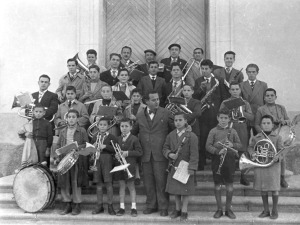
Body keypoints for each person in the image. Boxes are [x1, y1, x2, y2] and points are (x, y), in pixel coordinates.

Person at [132, 91, 174, 216]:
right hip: (145, 154)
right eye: (153, 100)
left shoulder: (166, 113)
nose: (157, 102)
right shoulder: (139, 115)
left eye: (157, 99)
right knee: (148, 182)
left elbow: (173, 130)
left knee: (161, 181)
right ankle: (151, 205)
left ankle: (163, 207)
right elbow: (134, 132)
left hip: (161, 153)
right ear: (146, 102)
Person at [206, 109, 242, 219]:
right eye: (221, 118)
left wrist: (232, 144)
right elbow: (208, 146)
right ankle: (219, 209)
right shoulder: (213, 131)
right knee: (217, 186)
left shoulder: (233, 131)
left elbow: (240, 145)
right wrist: (217, 151)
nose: (223, 120)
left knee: (229, 187)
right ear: (217, 118)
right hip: (217, 161)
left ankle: (228, 209)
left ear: (229, 119)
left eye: (225, 118)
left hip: (229, 161)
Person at [163, 112, 198, 221]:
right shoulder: (171, 135)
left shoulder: (191, 136)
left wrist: (192, 167)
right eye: (176, 120)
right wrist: (169, 154)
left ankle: (184, 210)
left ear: (185, 121)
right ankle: (177, 209)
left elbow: (194, 154)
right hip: (174, 165)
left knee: (185, 190)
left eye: (180, 120)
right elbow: (165, 148)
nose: (177, 122)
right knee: (176, 189)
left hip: (186, 166)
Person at [193, 59, 226, 170]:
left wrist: (220, 112)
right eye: (202, 69)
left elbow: (223, 97)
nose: (204, 71)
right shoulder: (198, 81)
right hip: (202, 114)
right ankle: (201, 164)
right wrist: (200, 89)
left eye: (206, 69)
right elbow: (195, 98)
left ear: (211, 69)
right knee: (202, 139)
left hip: (215, 114)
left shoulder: (219, 80)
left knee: (216, 139)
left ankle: (215, 164)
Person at [248, 115, 283, 219]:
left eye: (268, 123)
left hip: (273, 167)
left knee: (274, 189)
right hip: (261, 166)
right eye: (264, 123)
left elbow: (281, 151)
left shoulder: (278, 137)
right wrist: (252, 153)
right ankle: (266, 210)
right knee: (263, 189)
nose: (266, 125)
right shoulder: (256, 137)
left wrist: (278, 157)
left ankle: (275, 210)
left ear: (272, 125)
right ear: (261, 125)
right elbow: (250, 147)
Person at [219, 81, 254, 186]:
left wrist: (242, 112)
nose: (235, 91)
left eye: (237, 89)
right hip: (229, 127)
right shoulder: (225, 102)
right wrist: (228, 111)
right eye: (232, 89)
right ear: (229, 90)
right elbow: (220, 114)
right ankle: (227, 177)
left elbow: (251, 117)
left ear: (240, 90)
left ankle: (243, 176)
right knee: (228, 151)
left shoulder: (245, 102)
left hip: (241, 127)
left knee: (242, 152)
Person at [255, 88, 290, 188]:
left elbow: (288, 120)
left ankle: (282, 178)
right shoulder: (260, 109)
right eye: (267, 96)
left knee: (281, 157)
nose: (270, 97)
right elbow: (257, 124)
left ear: (275, 97)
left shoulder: (281, 108)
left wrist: (284, 121)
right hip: (266, 137)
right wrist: (264, 135)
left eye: (272, 95)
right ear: (264, 98)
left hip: (279, 137)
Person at [56, 109, 89, 215]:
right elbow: (57, 145)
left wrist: (78, 147)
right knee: (65, 182)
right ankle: (67, 204)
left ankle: (77, 204)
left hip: (76, 159)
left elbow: (86, 144)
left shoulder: (82, 130)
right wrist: (57, 155)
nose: (71, 119)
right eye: (69, 117)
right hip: (64, 159)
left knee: (76, 182)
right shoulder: (62, 131)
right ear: (66, 119)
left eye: (73, 117)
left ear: (77, 119)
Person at [114, 118, 142, 217]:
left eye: (126, 126)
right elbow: (116, 152)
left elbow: (139, 152)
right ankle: (122, 207)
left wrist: (127, 153)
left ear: (131, 127)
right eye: (122, 126)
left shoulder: (134, 139)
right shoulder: (117, 139)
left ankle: (133, 208)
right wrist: (116, 155)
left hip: (130, 166)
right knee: (121, 186)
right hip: (120, 166)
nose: (124, 128)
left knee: (131, 186)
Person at [91, 117, 118, 215]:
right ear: (97, 126)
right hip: (97, 160)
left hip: (108, 161)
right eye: (100, 125)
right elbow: (90, 151)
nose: (102, 127)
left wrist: (105, 146)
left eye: (105, 125)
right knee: (98, 184)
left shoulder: (112, 137)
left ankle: (110, 206)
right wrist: (92, 148)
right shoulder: (94, 136)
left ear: (108, 126)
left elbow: (116, 149)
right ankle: (99, 205)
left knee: (108, 184)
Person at [123, 88, 146, 185]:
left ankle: (141, 174)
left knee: (140, 153)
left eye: (137, 96)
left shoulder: (145, 107)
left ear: (141, 97)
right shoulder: (128, 108)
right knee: (132, 154)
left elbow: (146, 121)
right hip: (131, 133)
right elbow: (124, 120)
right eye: (134, 96)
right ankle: (136, 175)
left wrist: (136, 118)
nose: (135, 98)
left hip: (141, 133)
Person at [240, 64, 268, 136]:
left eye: (253, 72)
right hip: (247, 116)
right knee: (245, 137)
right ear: (246, 72)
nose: (251, 74)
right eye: (249, 72)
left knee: (259, 137)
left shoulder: (263, 85)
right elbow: (240, 102)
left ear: (257, 72)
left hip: (258, 115)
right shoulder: (241, 85)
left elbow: (266, 102)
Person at [182, 84, 202, 166]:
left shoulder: (196, 102)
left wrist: (184, 118)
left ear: (192, 92)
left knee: (194, 148)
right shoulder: (179, 101)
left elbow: (197, 113)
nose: (186, 92)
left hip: (194, 127)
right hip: (182, 128)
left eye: (188, 90)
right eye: (184, 90)